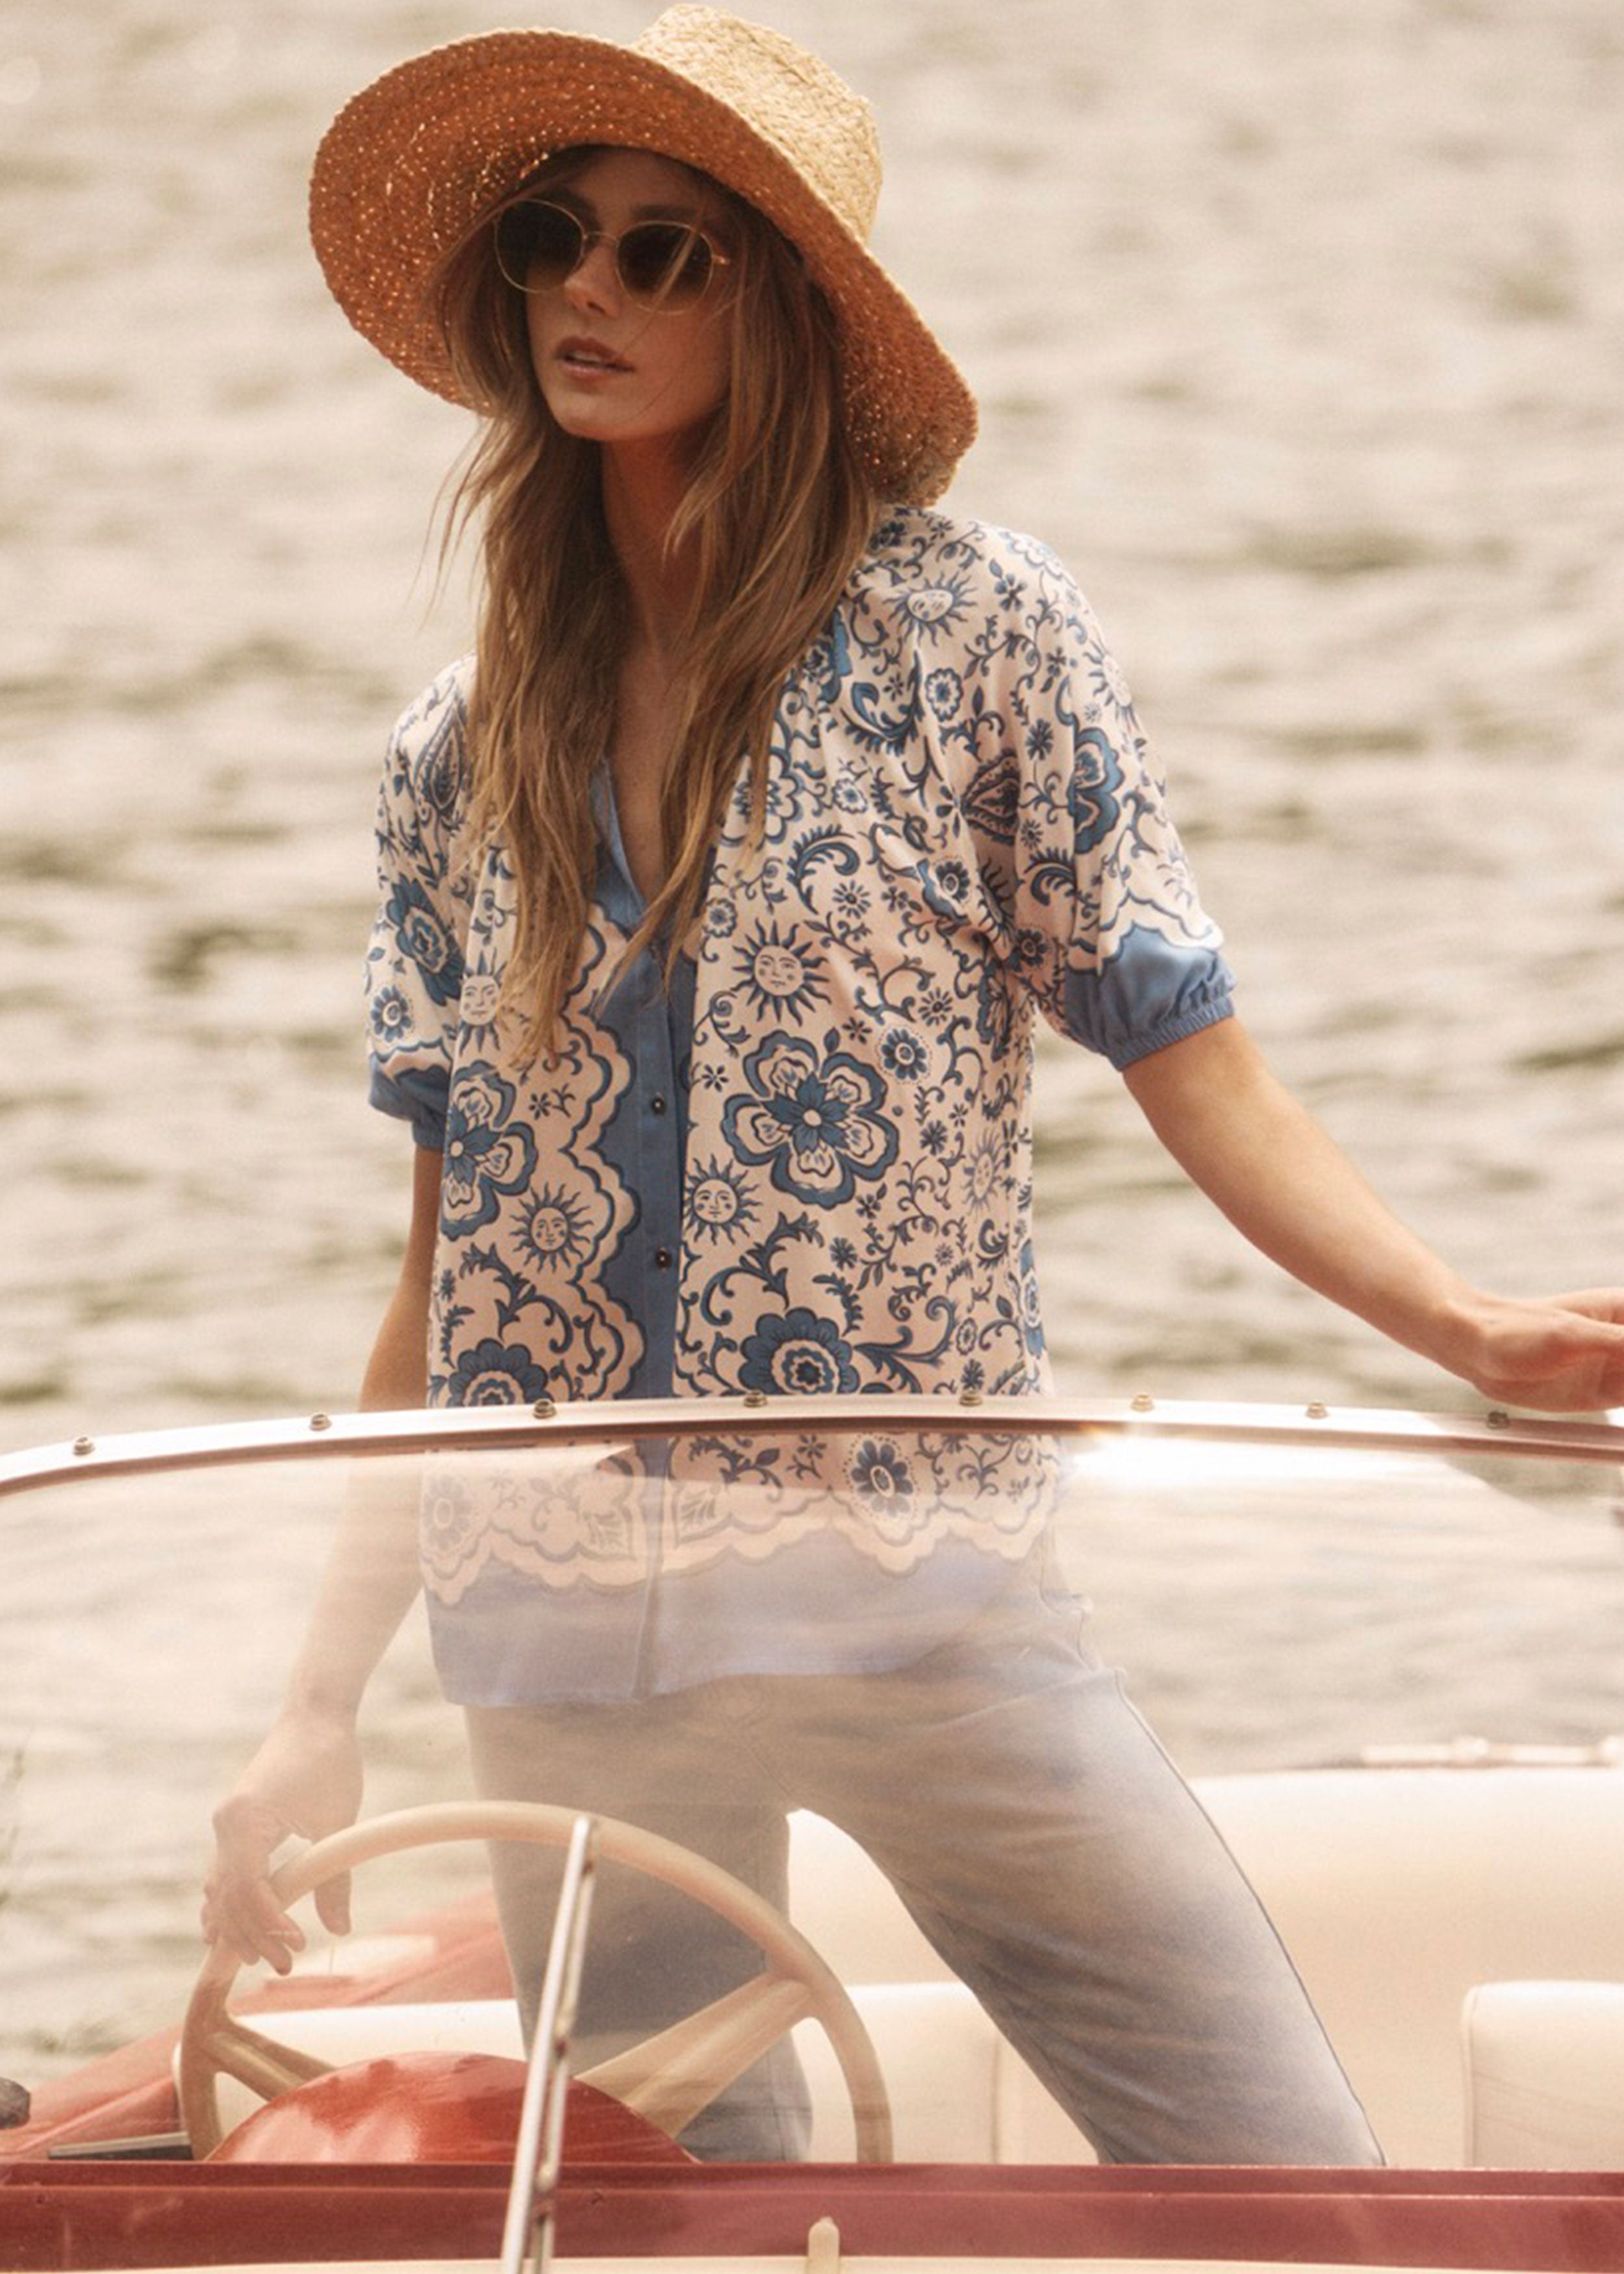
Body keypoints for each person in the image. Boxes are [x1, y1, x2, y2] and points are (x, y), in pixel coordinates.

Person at [203, 5, 1624, 2166]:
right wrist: (315, 1703)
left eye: (661, 251)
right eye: (552, 238)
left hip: (917, 1600)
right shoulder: (453, 754)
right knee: (696, 2219)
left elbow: (1193, 1059)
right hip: (563, 1654)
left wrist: (1461, 1325)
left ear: (775, 301)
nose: (588, 288)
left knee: (1283, 2179)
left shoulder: (974, 637)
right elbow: (447, 1280)